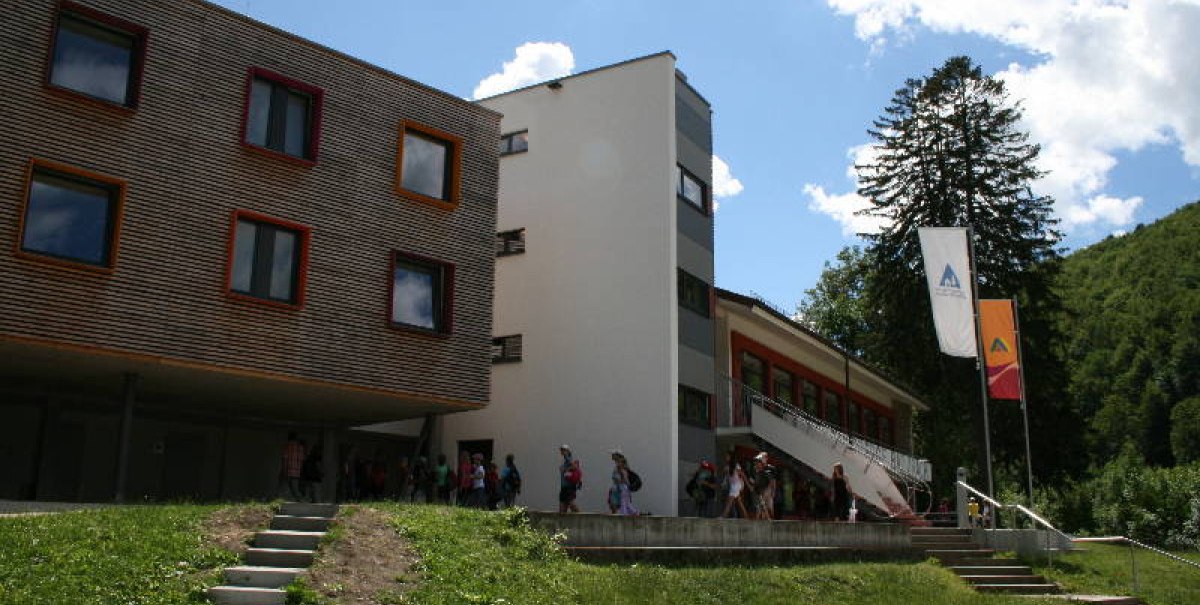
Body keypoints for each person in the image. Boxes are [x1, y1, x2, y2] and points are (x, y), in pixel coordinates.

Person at [607, 450, 638, 516]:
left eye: (613, 455)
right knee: (623, 503)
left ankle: (628, 515)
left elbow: (624, 479)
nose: (612, 456)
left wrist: (620, 482)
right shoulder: (619, 467)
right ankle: (633, 514)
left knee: (624, 503)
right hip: (619, 488)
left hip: (622, 488)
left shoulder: (621, 468)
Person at [719, 453, 749, 519]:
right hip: (734, 485)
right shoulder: (728, 466)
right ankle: (746, 517)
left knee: (729, 502)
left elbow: (742, 474)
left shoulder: (736, 465)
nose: (726, 457)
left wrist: (748, 485)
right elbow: (726, 477)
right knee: (739, 502)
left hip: (736, 485)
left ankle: (723, 516)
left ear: (731, 457)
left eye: (727, 456)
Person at [280, 432, 306, 501]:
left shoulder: (287, 446)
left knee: (284, 488)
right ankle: (301, 500)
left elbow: (285, 459)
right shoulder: (300, 448)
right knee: (295, 489)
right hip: (297, 472)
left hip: (288, 471)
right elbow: (302, 460)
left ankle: (281, 501)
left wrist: (283, 471)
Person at [752, 452, 777, 520]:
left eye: (762, 457)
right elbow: (755, 479)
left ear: (766, 458)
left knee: (769, 507)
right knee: (760, 507)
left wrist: (773, 491)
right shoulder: (757, 468)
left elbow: (773, 481)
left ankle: (771, 520)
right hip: (759, 490)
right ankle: (761, 521)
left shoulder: (771, 468)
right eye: (760, 458)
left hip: (768, 490)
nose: (761, 459)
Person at [558, 445, 581, 513]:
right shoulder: (564, 460)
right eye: (561, 450)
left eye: (564, 450)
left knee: (572, 504)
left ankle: (581, 516)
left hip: (569, 487)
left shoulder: (569, 459)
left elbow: (575, 466)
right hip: (564, 487)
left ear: (568, 451)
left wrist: (565, 470)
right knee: (562, 508)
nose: (562, 451)